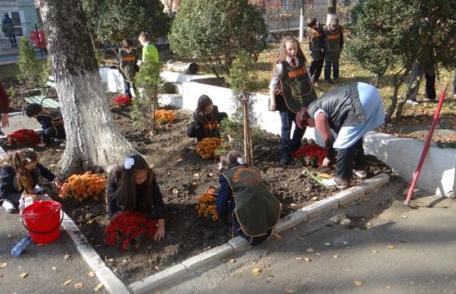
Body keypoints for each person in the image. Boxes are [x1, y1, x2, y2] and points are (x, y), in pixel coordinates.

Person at [296, 82, 385, 189]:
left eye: (308, 125)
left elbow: (328, 139)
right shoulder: (320, 105)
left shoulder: (316, 113)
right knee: (353, 137)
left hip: (358, 99)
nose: (311, 127)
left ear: (309, 120)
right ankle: (360, 168)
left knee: (343, 143)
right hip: (368, 91)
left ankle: (341, 179)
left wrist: (329, 157)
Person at [269, 36, 317, 165]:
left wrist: (312, 95)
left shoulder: (302, 61)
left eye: (295, 48)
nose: (293, 52)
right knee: (286, 127)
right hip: (285, 101)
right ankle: (285, 154)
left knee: (302, 124)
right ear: (285, 49)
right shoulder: (281, 65)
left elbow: (308, 79)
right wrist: (273, 101)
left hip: (301, 99)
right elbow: (272, 84)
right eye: (290, 49)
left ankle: (293, 147)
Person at [216, 150, 280, 246]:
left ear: (225, 165)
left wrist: (222, 218)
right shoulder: (254, 170)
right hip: (269, 221)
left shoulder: (226, 177)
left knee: (229, 201)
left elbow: (222, 202)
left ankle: (236, 227)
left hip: (252, 236)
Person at [106, 154, 166, 241]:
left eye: (144, 176)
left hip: (142, 199)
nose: (142, 180)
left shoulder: (149, 176)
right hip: (125, 199)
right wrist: (115, 221)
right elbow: (112, 201)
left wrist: (161, 225)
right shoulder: (116, 176)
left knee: (144, 215)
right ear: (129, 177)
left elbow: (157, 198)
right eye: (138, 178)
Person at [0, 149, 61, 213]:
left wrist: (54, 178)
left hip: (23, 186)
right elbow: (3, 193)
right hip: (10, 192)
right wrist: (24, 196)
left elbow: (42, 170)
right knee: (14, 206)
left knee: (37, 170)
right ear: (23, 164)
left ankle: (28, 191)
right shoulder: (6, 171)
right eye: (32, 166)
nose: (34, 167)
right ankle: (8, 202)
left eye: (35, 164)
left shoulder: (30, 161)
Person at [323, 17, 344, 83]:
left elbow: (341, 38)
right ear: (330, 24)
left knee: (336, 65)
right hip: (328, 51)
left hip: (336, 50)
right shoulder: (325, 29)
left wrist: (341, 47)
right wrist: (322, 48)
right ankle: (327, 79)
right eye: (332, 26)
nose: (334, 28)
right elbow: (321, 40)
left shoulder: (340, 28)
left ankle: (336, 77)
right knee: (327, 65)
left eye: (335, 26)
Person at [306, 17, 325, 83]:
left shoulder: (321, 27)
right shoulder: (309, 29)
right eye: (311, 27)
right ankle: (310, 77)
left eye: (313, 26)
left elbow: (323, 38)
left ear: (315, 23)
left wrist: (322, 47)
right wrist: (310, 49)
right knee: (314, 63)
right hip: (314, 49)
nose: (312, 28)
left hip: (321, 49)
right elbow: (310, 40)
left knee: (320, 64)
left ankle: (316, 78)